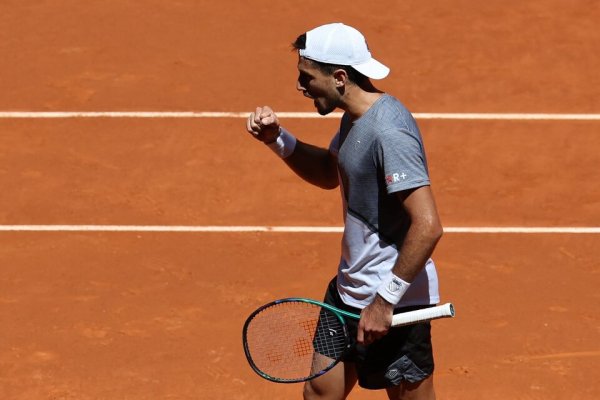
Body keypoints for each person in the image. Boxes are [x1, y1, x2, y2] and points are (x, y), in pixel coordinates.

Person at [245, 22, 444, 400]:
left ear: (339, 77)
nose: (300, 86)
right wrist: (277, 140)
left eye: (307, 77)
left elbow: (428, 225)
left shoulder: (389, 132)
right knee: (319, 393)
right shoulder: (354, 116)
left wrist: (384, 302)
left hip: (394, 302)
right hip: (349, 290)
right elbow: (328, 172)